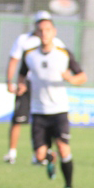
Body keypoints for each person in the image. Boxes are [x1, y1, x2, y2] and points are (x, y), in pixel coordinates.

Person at [18, 17, 86, 188]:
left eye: (47, 30)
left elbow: (82, 76)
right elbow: (22, 75)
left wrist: (70, 78)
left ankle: (69, 186)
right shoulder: (29, 54)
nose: (44, 33)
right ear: (36, 33)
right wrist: (21, 85)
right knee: (39, 156)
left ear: (54, 32)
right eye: (40, 30)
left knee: (64, 148)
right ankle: (50, 158)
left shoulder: (63, 53)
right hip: (38, 111)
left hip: (59, 111)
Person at [4, 11, 65, 165]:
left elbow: (65, 65)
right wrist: (10, 81)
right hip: (27, 84)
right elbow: (14, 60)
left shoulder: (57, 42)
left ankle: (42, 153)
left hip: (45, 87)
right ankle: (12, 152)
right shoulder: (24, 40)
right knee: (18, 119)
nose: (43, 28)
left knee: (43, 120)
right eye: (40, 23)